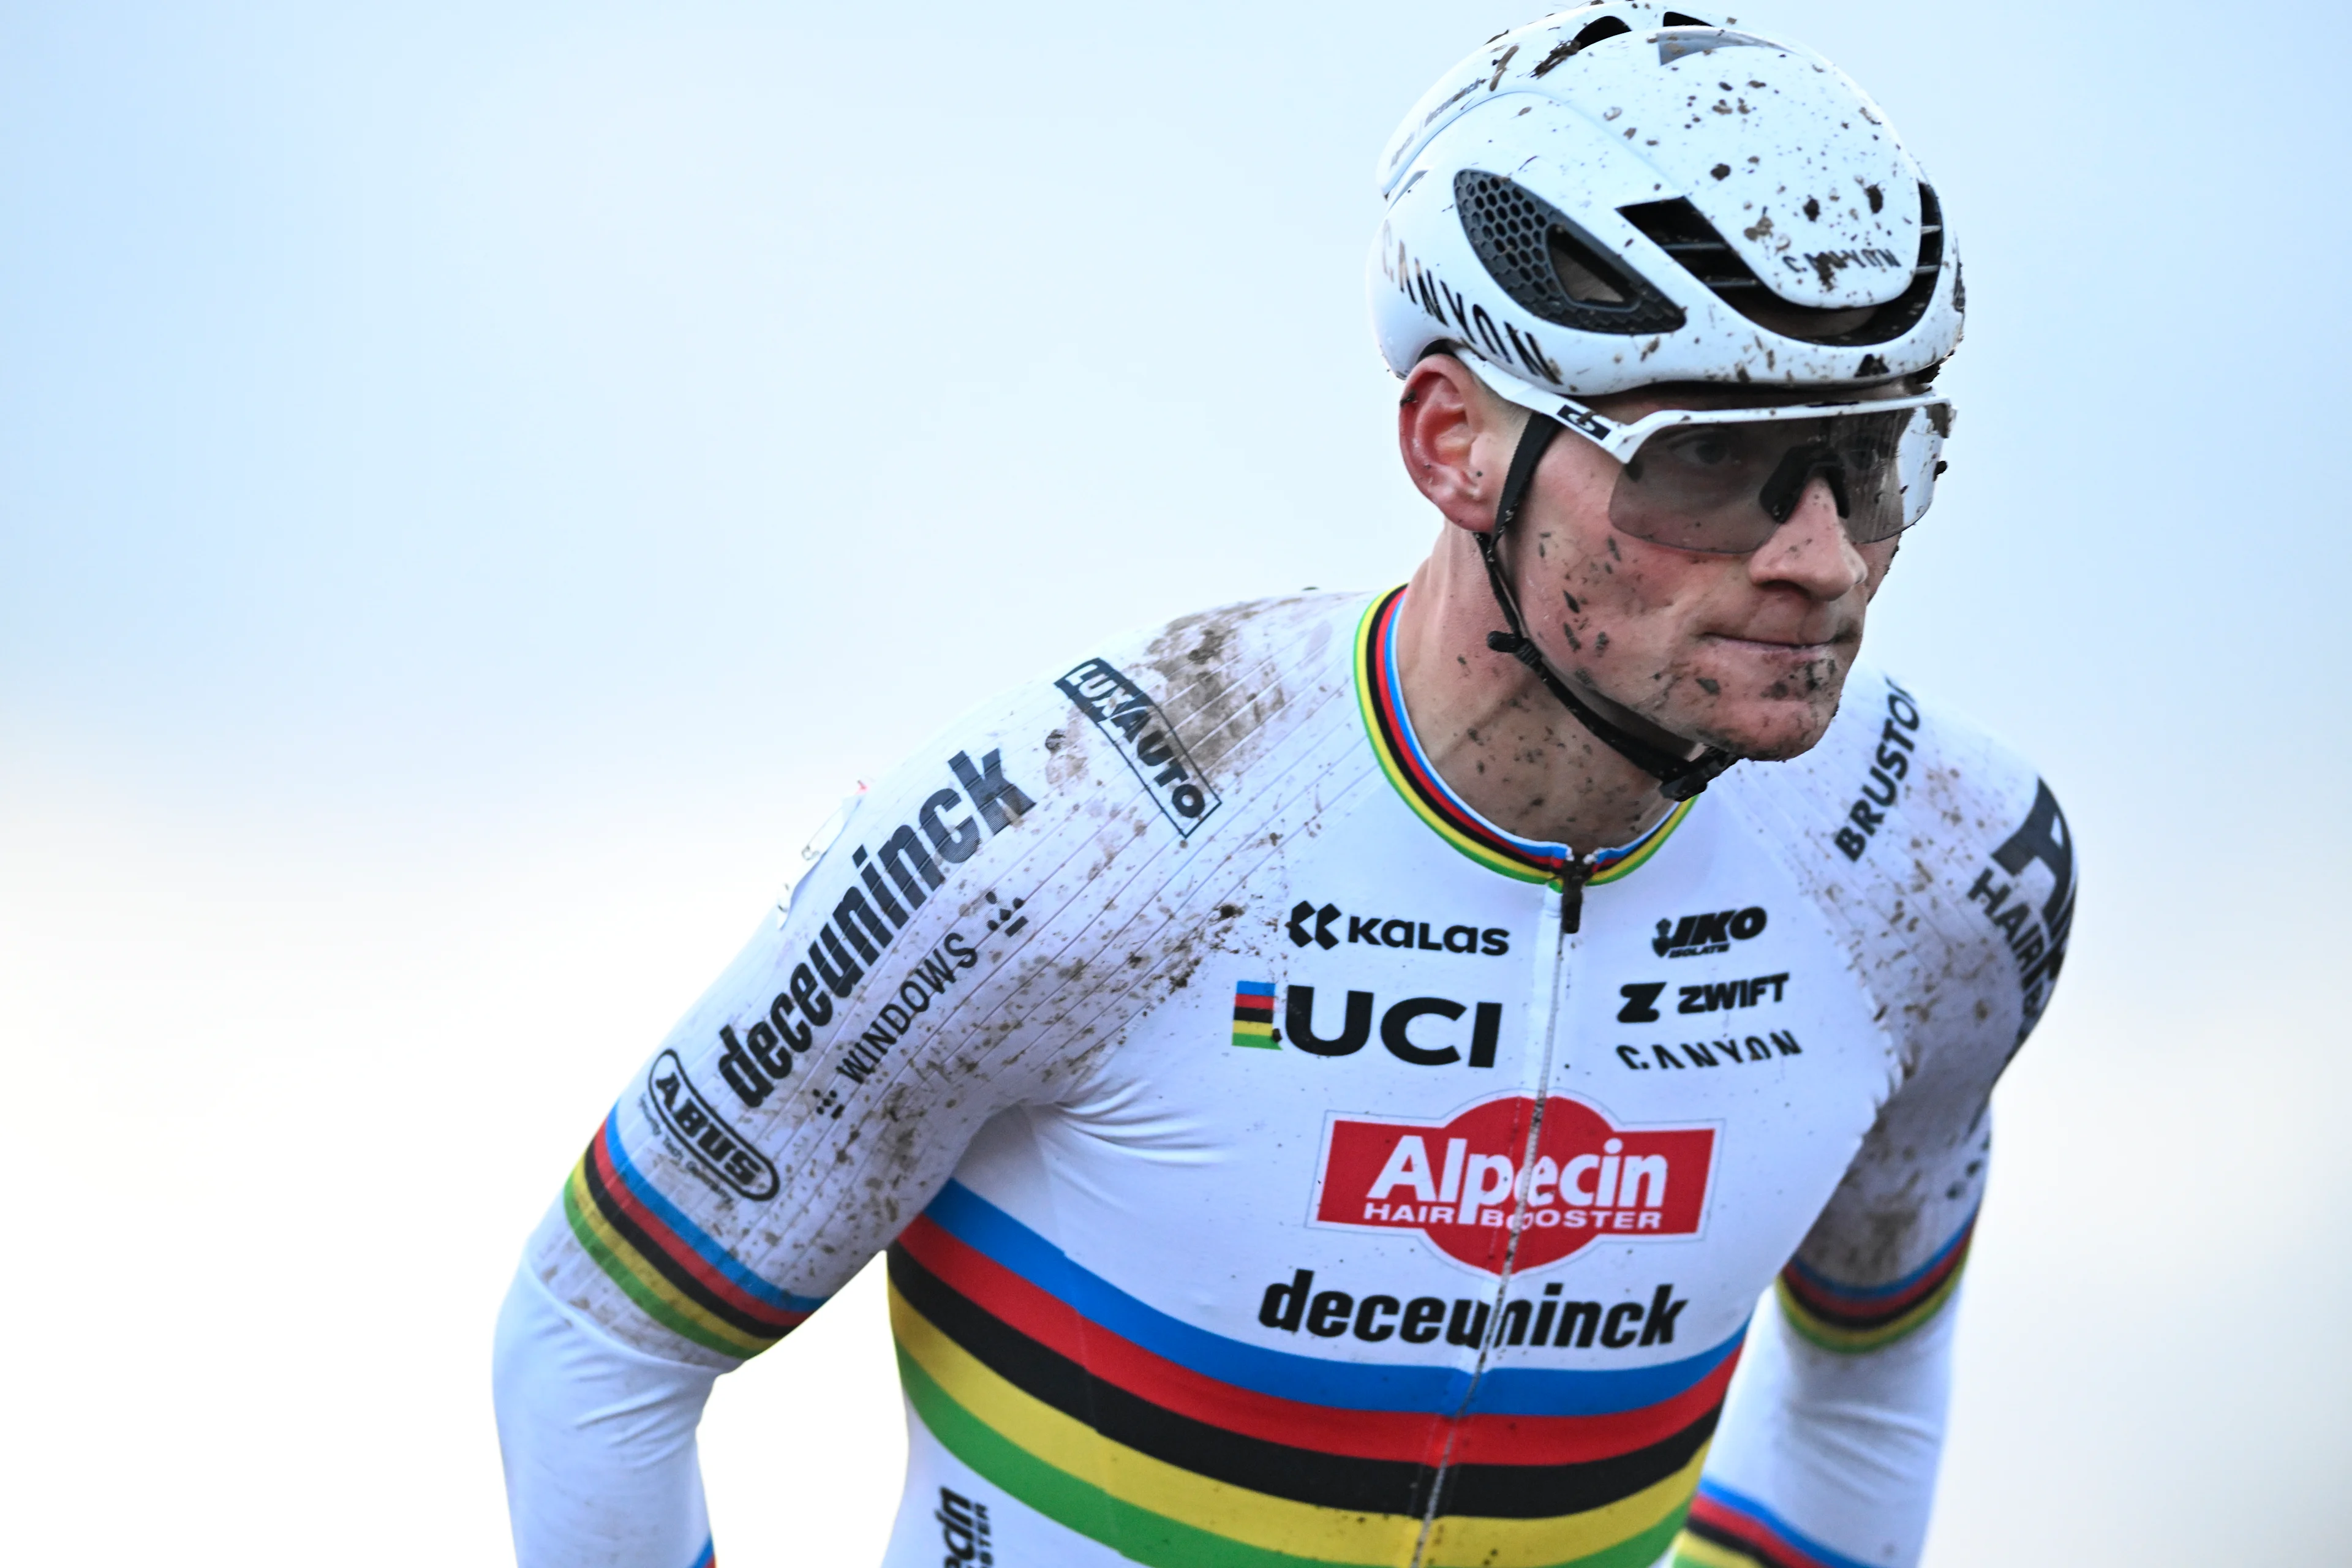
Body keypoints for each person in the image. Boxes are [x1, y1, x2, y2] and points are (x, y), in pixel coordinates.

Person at [492, 7, 2077, 1567]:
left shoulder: (1937, 875)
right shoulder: (1083, 836)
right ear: (1453, 442)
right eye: (1711, 469)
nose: (1818, 558)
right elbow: (596, 1346)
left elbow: (1866, 1400)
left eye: (1873, 459)